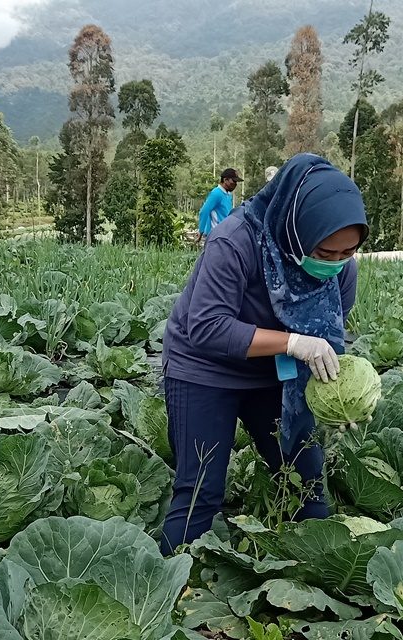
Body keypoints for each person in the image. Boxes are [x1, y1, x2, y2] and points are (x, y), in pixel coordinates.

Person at [160, 154, 368, 554]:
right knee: (201, 490)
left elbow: (326, 340)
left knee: (307, 482)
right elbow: (206, 327)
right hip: (203, 368)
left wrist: (336, 404)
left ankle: (322, 583)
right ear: (297, 227)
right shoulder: (235, 241)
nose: (336, 265)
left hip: (273, 373)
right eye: (325, 254)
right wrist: (292, 342)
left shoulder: (344, 269)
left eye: (348, 253)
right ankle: (168, 595)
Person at [198, 168, 242, 242]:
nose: (235, 184)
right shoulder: (216, 193)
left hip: (226, 235)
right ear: (225, 180)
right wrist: (201, 231)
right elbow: (204, 211)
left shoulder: (228, 195)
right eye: (233, 181)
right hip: (216, 236)